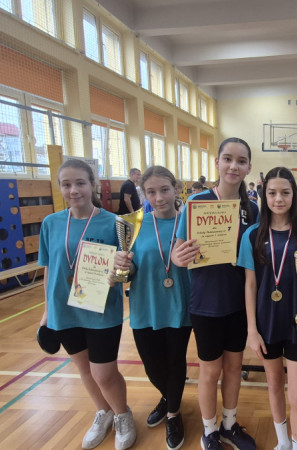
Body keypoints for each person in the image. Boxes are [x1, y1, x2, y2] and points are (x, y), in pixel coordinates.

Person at [38, 159, 136, 450]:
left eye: (80, 183)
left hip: (101, 310)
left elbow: (127, 272)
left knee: (103, 373)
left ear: (93, 185)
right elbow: (49, 270)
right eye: (66, 184)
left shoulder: (115, 223)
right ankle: (104, 412)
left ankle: (122, 414)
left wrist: (121, 271)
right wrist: (47, 312)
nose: (74, 190)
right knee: (84, 369)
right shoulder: (50, 223)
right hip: (63, 310)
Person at [171, 137, 259, 450]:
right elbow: (177, 252)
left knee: (234, 368)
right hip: (206, 303)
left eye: (241, 161)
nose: (234, 166)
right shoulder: (196, 203)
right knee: (210, 371)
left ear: (249, 167)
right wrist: (178, 257)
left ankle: (229, 425)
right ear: (217, 162)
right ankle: (208, 431)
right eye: (228, 159)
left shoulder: (252, 209)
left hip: (239, 304)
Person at [238, 167, 297, 450]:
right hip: (266, 323)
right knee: (273, 385)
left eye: (285, 192)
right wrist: (251, 330)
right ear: (264, 195)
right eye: (272, 193)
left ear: (294, 195)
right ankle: (283, 441)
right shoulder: (252, 235)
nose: (278, 199)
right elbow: (250, 285)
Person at [112, 166, 191, 450]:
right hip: (145, 305)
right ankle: (168, 397)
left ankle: (173, 414)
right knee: (152, 366)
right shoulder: (134, 225)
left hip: (180, 305)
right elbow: (128, 271)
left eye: (164, 190)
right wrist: (123, 266)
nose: (159, 198)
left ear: (176, 189)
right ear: (143, 194)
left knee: (175, 362)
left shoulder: (189, 223)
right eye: (151, 192)